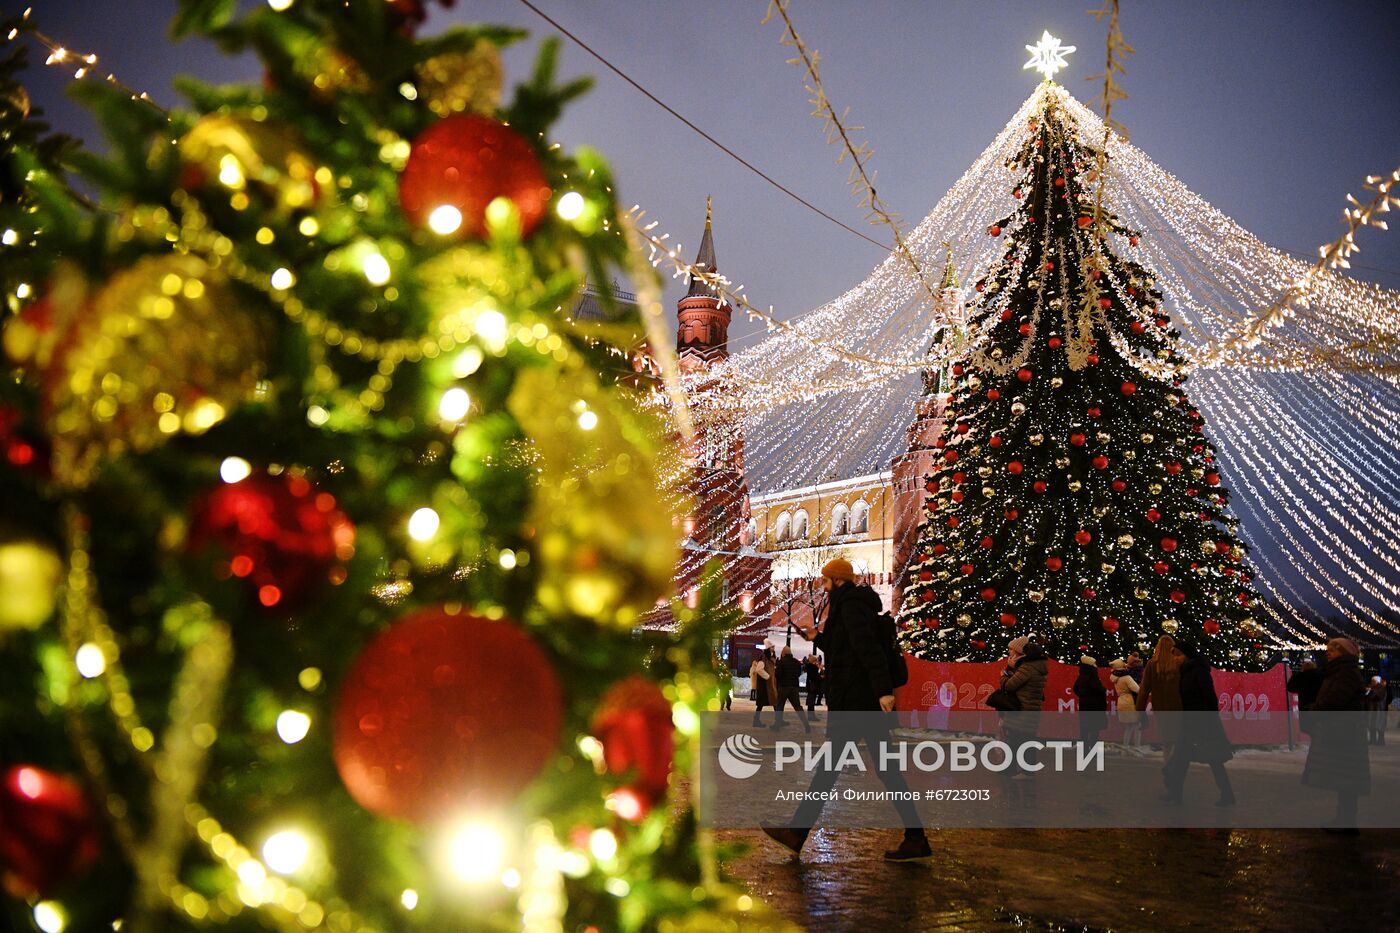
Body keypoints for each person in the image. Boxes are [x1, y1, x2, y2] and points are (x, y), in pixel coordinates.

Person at [760, 558, 931, 861]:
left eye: (826, 580)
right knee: (883, 772)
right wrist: (818, 638)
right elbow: (847, 649)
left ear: (838, 580)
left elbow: (869, 650)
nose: (823, 586)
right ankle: (916, 837)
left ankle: (797, 832)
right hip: (860, 702)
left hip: (857, 701)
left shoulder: (850, 606)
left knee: (831, 770)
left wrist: (884, 692)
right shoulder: (849, 605)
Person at [1302, 637, 1370, 833]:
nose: (1328, 652)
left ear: (1344, 653)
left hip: (1345, 732)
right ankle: (1344, 819)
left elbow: (1335, 700)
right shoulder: (1338, 672)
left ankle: (1346, 821)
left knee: (1346, 776)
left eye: (1333, 650)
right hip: (1341, 730)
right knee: (1344, 777)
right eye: (1328, 649)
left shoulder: (1346, 673)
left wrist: (1313, 710)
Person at [1161, 640, 1235, 806]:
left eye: (1178, 655)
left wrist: (1208, 721)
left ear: (1186, 655)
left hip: (1203, 722)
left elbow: (1209, 697)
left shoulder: (1199, 671)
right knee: (1181, 759)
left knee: (1214, 759)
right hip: (1189, 722)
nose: (1175, 659)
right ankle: (1175, 793)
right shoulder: (1185, 671)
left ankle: (1227, 794)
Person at [999, 635, 1048, 778]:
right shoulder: (1035, 667)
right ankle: (1016, 769)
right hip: (1027, 709)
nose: (1009, 652)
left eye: (1011, 649)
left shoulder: (1027, 668)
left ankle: (1024, 771)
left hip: (1023, 710)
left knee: (1019, 741)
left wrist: (1004, 675)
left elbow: (1009, 685)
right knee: (1022, 740)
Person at [1136, 635, 1184, 758]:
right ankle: (1175, 765)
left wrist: (1140, 711)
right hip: (1178, 707)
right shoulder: (1179, 664)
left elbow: (1143, 691)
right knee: (1178, 740)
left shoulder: (1152, 665)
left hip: (1160, 708)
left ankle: (1167, 764)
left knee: (1166, 741)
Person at [772, 646, 811, 732]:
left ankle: (777, 726)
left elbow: (778, 674)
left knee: (780, 706)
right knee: (797, 706)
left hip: (783, 687)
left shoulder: (781, 662)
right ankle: (806, 725)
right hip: (794, 687)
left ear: (783, 653)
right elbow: (799, 673)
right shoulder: (796, 662)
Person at [1073, 655, 1109, 745]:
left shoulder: (1080, 676)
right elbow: (1099, 689)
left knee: (1084, 729)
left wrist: (1083, 695)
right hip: (1094, 706)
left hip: (1084, 707)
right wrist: (1103, 690)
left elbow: (1075, 689)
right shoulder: (1093, 677)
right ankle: (1093, 748)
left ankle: (1084, 748)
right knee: (1094, 729)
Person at [1109, 660, 1142, 752]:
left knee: (1129, 726)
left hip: (1121, 701)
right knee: (1137, 725)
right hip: (1129, 701)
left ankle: (1125, 745)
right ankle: (1137, 747)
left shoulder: (1114, 677)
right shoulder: (1126, 677)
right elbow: (1137, 689)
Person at [1287, 659, 1324, 735]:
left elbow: (1290, 687)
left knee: (1309, 730)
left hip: (1305, 707)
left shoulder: (1301, 677)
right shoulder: (1321, 675)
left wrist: (1296, 675)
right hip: (1319, 706)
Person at [750, 645, 775, 726]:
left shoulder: (768, 658)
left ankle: (778, 720)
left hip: (767, 685)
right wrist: (768, 676)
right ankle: (778, 720)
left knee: (773, 702)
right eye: (772, 647)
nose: (773, 649)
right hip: (765, 685)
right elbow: (759, 669)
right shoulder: (764, 658)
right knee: (768, 702)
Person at [1365, 675, 1387, 746]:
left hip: (1379, 710)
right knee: (1371, 725)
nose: (1372, 682)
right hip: (1372, 710)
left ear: (1377, 682)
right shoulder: (1371, 688)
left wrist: (1371, 691)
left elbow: (1378, 696)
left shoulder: (1382, 688)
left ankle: (1381, 741)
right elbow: (1367, 697)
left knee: (1379, 726)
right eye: (1372, 681)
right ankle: (1372, 740)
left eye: (1373, 681)